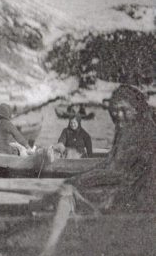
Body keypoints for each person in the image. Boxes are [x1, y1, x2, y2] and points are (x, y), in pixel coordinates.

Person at [37, 85, 156, 214]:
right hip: (127, 189)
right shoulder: (126, 128)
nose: (119, 115)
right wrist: (80, 178)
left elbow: (122, 175)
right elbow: (110, 163)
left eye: (124, 110)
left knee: (69, 193)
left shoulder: (144, 132)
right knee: (68, 189)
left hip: (139, 198)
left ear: (137, 109)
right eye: (115, 110)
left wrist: (82, 181)